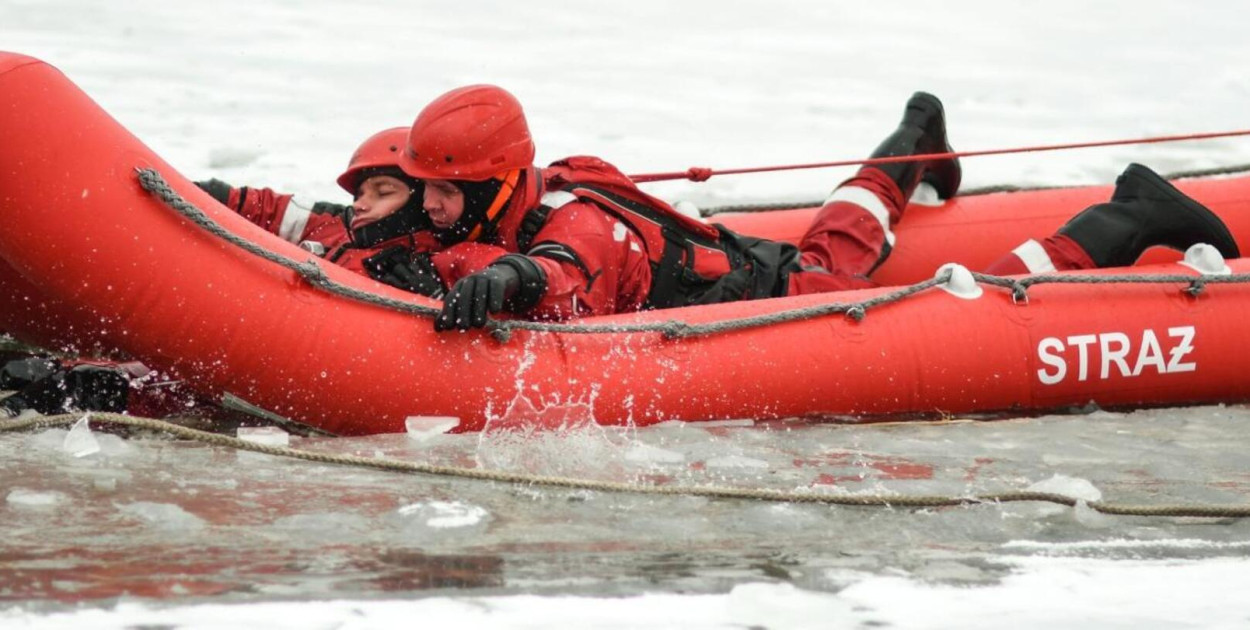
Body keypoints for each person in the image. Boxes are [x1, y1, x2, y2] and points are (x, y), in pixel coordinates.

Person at [391, 86, 1239, 331]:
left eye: (442, 192)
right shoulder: (483, 206)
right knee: (836, 251)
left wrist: (506, 280)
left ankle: (1125, 218)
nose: (429, 208)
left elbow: (570, 279)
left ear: (498, 183)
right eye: (420, 187)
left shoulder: (575, 221)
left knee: (963, 303)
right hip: (747, 266)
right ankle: (916, 136)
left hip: (752, 297)